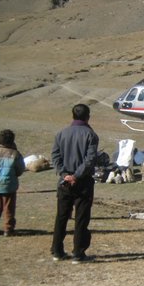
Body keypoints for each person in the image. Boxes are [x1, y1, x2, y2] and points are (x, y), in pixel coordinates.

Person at [50, 104, 99, 264]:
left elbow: (55, 156)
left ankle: (57, 251)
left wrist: (65, 175)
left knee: (62, 217)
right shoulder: (91, 135)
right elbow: (89, 160)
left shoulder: (61, 134)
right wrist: (76, 176)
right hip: (83, 182)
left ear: (73, 115)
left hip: (64, 182)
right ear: (88, 116)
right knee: (81, 218)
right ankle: (78, 253)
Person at [0, 129, 25, 237]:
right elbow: (20, 169)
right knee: (9, 208)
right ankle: (8, 229)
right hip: (9, 185)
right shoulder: (15, 154)